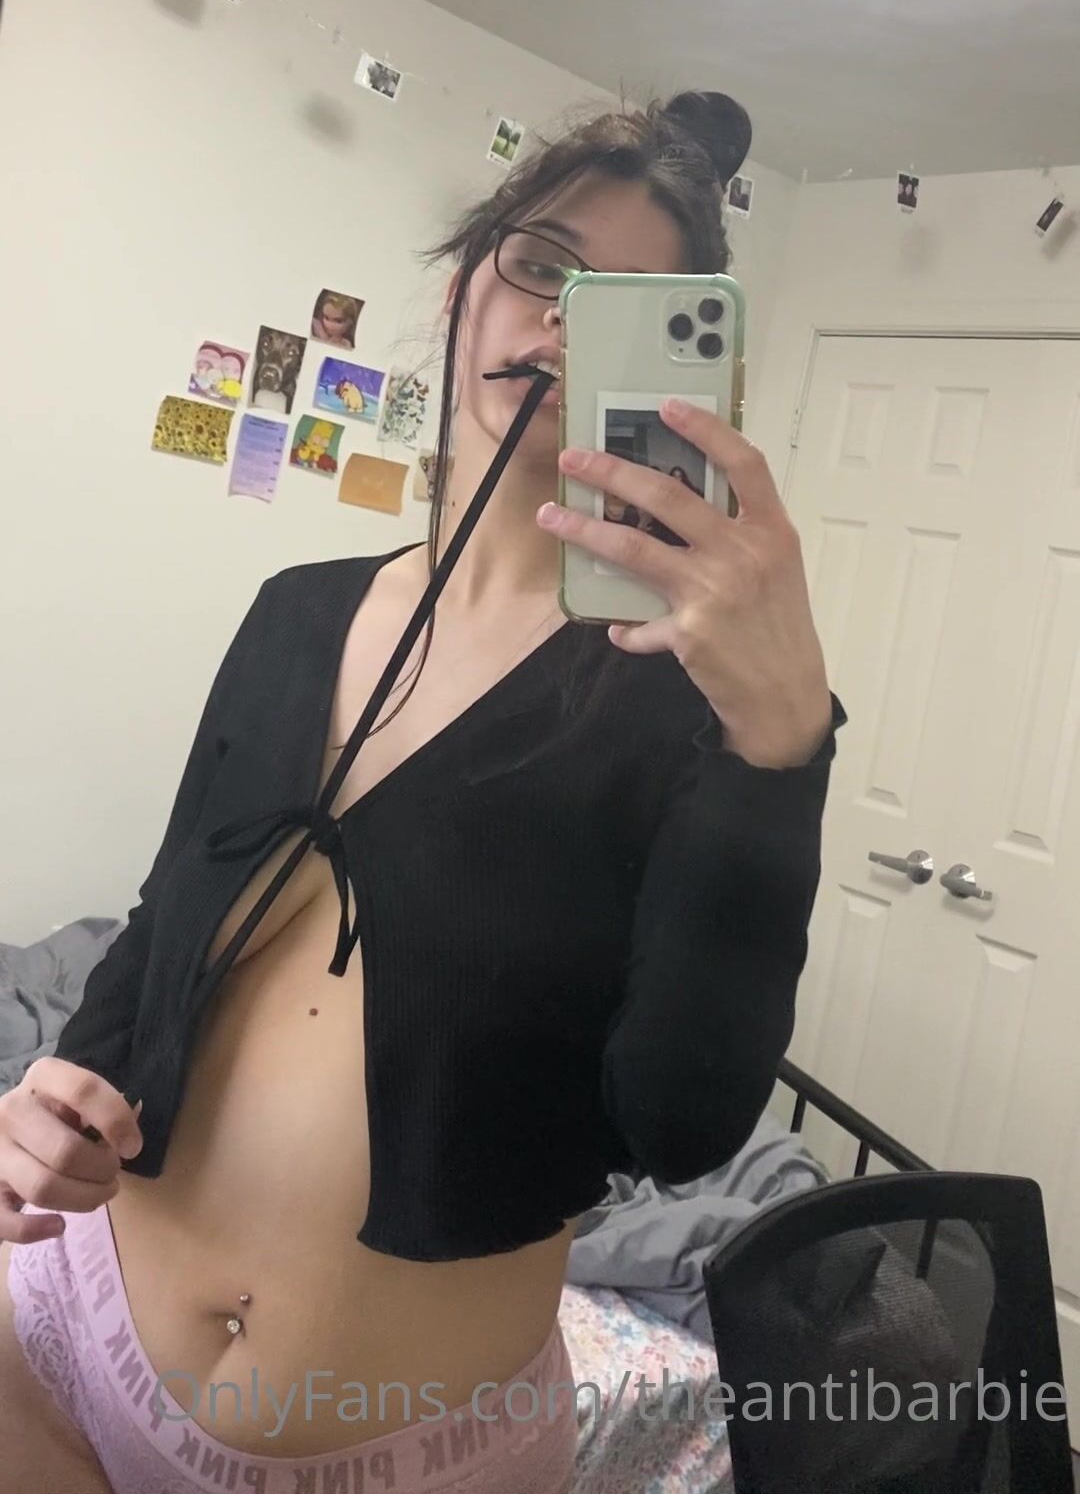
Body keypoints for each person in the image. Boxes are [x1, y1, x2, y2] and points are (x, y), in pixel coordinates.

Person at [0, 90, 845, 1494]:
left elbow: (682, 1125)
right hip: (61, 1337)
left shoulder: (686, 699)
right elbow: (166, 918)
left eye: (626, 313)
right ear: (462, 291)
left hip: (408, 1448)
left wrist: (781, 753)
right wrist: (63, 1086)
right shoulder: (295, 609)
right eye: (543, 265)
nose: (562, 326)